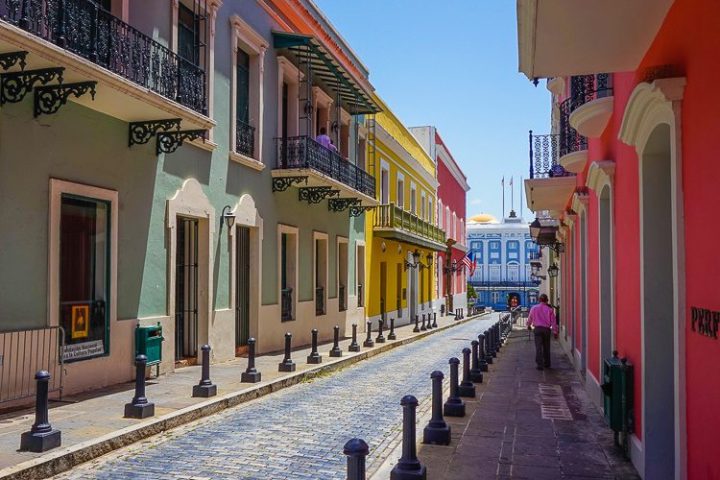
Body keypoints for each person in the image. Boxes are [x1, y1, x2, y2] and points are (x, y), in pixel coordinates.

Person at [527, 294, 558, 370]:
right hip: (546, 330)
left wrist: (528, 325)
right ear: (546, 300)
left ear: (539, 300)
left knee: (538, 347)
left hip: (537, 329)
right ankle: (547, 363)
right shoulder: (549, 310)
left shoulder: (534, 308)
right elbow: (553, 322)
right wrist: (555, 332)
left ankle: (540, 365)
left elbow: (530, 318)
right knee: (546, 347)